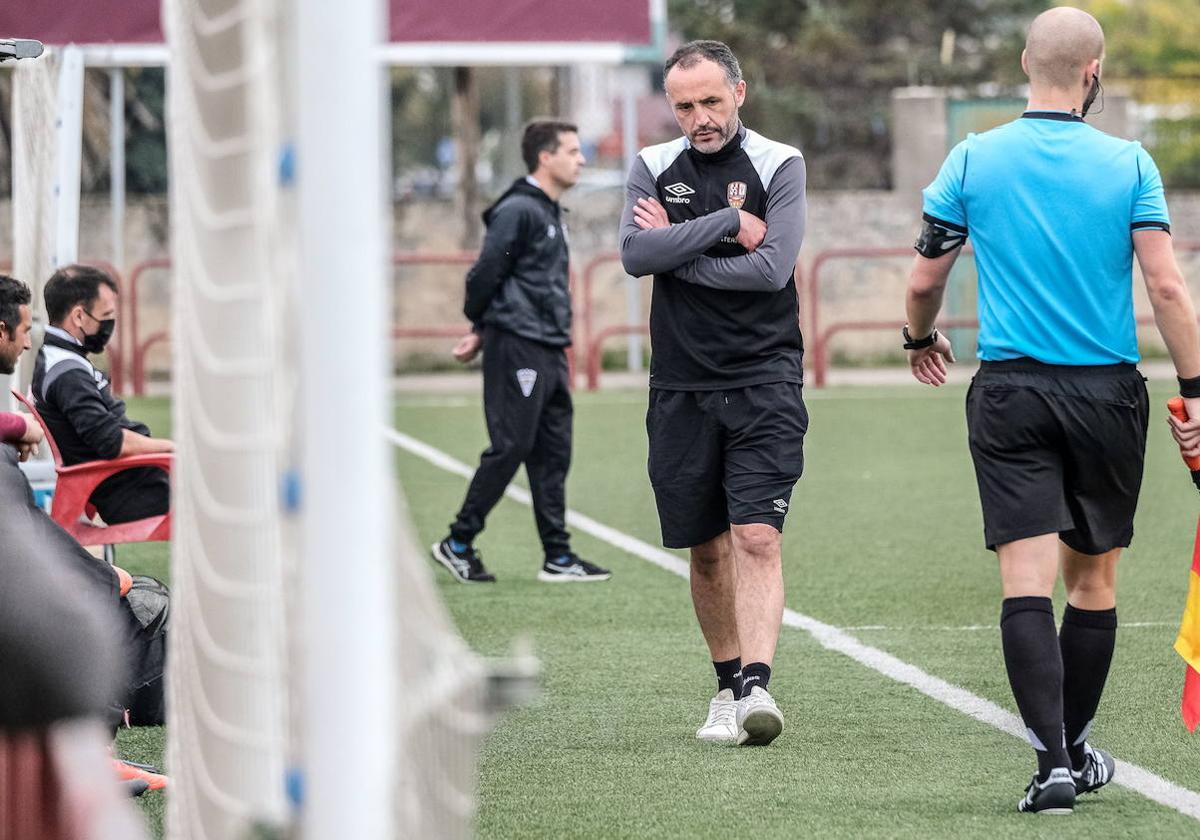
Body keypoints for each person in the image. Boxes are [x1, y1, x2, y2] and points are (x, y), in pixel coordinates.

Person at [904, 6, 1200, 814]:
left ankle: (1053, 766)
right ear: (1093, 72)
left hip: (1011, 391)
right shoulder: (1130, 162)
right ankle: (1072, 746)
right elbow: (1167, 286)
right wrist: (1198, 392)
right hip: (1107, 392)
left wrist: (917, 337)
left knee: (1023, 582)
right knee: (1093, 583)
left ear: (1027, 62)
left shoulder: (973, 157)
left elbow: (927, 278)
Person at [619, 40, 808, 747]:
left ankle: (758, 685)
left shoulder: (779, 164)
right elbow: (637, 256)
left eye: (710, 101)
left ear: (740, 92)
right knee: (704, 551)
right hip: (680, 386)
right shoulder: (651, 166)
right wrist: (727, 225)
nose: (699, 117)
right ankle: (726, 685)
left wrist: (681, 252)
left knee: (756, 536)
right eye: (685, 105)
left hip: (764, 380)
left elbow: (771, 272)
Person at [432, 120, 611, 584]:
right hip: (520, 345)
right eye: (572, 151)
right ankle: (457, 543)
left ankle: (558, 556)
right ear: (545, 158)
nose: (582, 159)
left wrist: (483, 327)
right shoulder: (519, 210)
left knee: (553, 453)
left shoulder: (550, 211)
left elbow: (521, 281)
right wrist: (481, 324)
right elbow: (485, 274)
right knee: (512, 445)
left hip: (549, 345)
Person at [32, 264, 173, 526]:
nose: (110, 324)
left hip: (136, 480)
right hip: (132, 493)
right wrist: (172, 448)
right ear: (78, 316)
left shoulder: (57, 358)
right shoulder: (67, 374)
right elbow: (111, 442)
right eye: (106, 315)